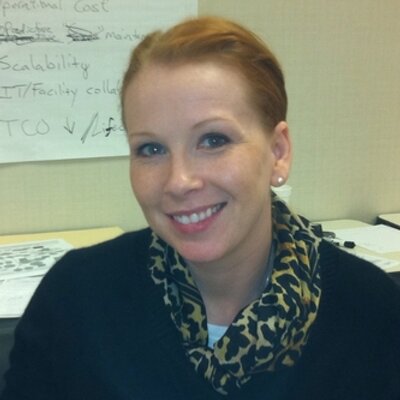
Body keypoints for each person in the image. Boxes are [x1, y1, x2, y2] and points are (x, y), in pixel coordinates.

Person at [1, 16, 400, 400]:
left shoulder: (369, 313)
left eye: (213, 140)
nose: (179, 181)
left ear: (278, 152)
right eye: (151, 149)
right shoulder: (76, 299)